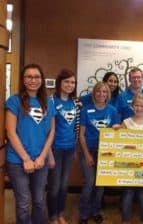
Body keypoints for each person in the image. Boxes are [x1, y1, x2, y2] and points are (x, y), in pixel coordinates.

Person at [5, 64, 56, 224]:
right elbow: (10, 132)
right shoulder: (14, 101)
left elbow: (51, 133)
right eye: (29, 76)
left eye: (36, 77)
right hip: (18, 161)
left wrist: (42, 157)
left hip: (41, 160)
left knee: (40, 201)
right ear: (23, 80)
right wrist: (26, 159)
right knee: (23, 203)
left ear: (41, 79)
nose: (33, 80)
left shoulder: (48, 102)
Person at [78, 82, 120, 224]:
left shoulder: (113, 111)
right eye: (98, 91)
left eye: (104, 92)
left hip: (105, 152)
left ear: (108, 94)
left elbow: (116, 132)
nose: (101, 94)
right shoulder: (85, 110)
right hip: (87, 150)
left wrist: (117, 129)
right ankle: (83, 214)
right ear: (93, 93)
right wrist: (87, 154)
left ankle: (95, 211)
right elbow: (81, 134)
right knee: (89, 183)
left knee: (100, 185)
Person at [47, 69, 79, 224]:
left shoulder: (76, 102)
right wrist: (49, 154)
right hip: (55, 149)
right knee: (54, 185)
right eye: (66, 81)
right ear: (59, 82)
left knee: (64, 184)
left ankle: (60, 214)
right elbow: (47, 129)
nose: (69, 85)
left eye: (72, 82)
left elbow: (76, 127)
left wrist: (75, 148)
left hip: (70, 148)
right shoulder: (50, 101)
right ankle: (52, 216)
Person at [120, 93, 143, 224]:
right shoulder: (126, 122)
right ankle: (125, 221)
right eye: (136, 105)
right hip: (128, 164)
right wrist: (115, 130)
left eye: (142, 106)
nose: (139, 108)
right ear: (132, 106)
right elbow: (119, 143)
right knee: (128, 193)